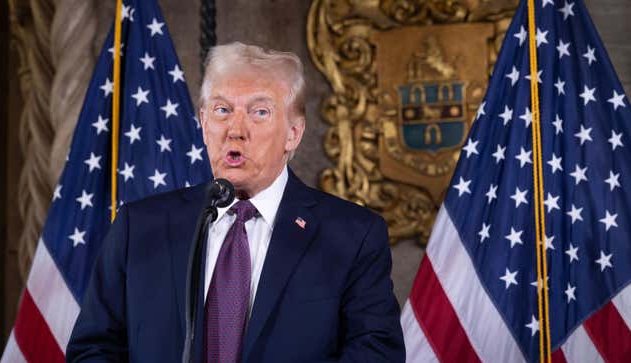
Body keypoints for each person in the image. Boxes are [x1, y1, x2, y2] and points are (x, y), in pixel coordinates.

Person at [66, 42, 405, 363]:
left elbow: (375, 354)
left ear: (293, 133)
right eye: (222, 110)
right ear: (203, 123)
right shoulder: (139, 227)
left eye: (259, 112)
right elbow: (93, 349)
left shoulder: (352, 236)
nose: (235, 129)